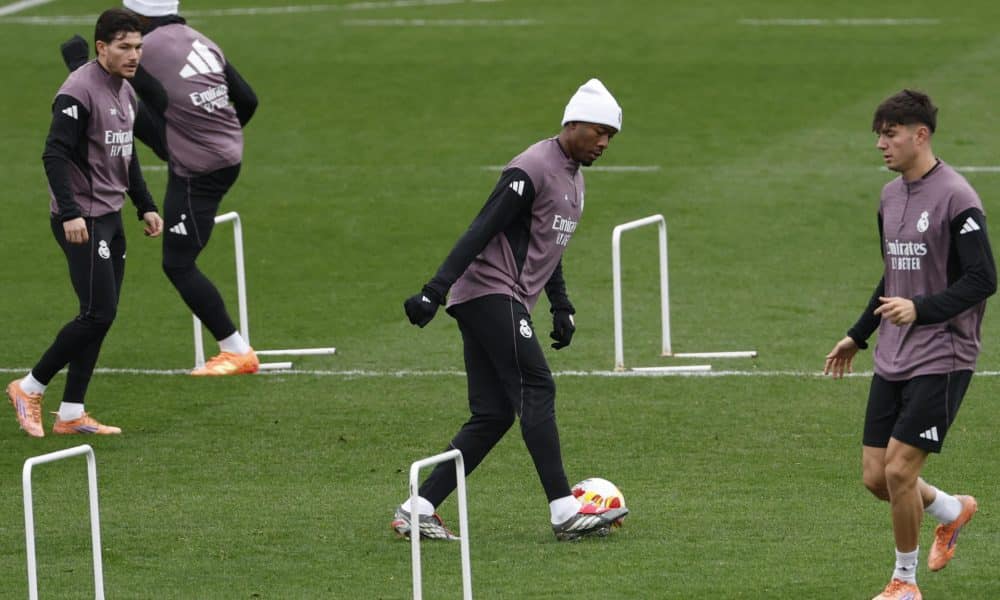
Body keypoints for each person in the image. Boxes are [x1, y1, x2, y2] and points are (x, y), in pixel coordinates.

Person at [393, 79, 628, 541]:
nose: (603, 143)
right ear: (572, 122)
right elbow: (481, 229)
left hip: (503, 298)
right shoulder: (531, 168)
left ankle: (417, 507)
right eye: (598, 131)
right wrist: (433, 290)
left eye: (611, 136)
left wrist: (561, 305)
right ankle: (564, 511)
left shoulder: (575, 180)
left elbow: (548, 246)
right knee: (537, 385)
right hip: (488, 293)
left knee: (494, 414)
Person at [824, 89, 995, 600]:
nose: (881, 144)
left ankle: (904, 582)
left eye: (890, 134)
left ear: (920, 135)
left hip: (944, 355)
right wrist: (859, 334)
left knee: (901, 469)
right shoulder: (890, 197)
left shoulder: (957, 198)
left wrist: (920, 309)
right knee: (877, 478)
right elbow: (894, 274)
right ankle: (951, 509)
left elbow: (984, 278)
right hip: (893, 354)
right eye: (879, 134)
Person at [61, 0, 260, 376]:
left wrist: (76, 66)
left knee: (178, 263)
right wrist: (219, 134)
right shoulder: (199, 38)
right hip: (227, 155)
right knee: (135, 113)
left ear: (138, 17)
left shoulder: (145, 49)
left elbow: (111, 101)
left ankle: (236, 350)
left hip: (196, 170)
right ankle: (235, 348)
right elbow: (247, 99)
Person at [7, 8, 163, 437]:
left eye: (138, 47)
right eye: (124, 47)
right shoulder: (77, 92)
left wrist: (145, 204)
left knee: (100, 314)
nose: (134, 55)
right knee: (98, 312)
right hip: (83, 220)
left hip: (110, 217)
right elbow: (54, 153)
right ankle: (29, 386)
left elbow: (125, 156)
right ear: (101, 47)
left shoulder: (126, 92)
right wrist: (71, 211)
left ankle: (72, 411)